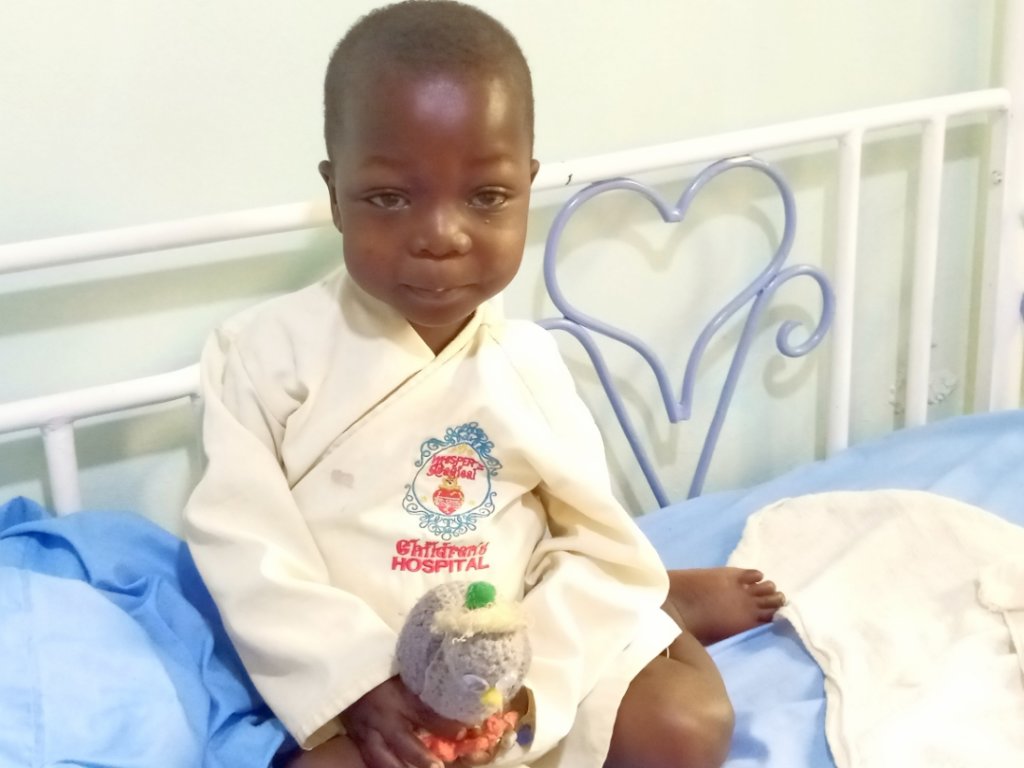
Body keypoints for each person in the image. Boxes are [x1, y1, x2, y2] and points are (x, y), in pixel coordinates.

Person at [183, 3, 783, 767]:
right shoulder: (261, 355)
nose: (441, 235)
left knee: (684, 726)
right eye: (389, 198)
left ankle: (662, 605)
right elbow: (247, 550)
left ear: (527, 187)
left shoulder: (526, 363)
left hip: (515, 657)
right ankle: (664, 596)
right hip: (369, 683)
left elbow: (597, 545)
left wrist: (526, 688)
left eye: (487, 197)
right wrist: (357, 684)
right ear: (335, 194)